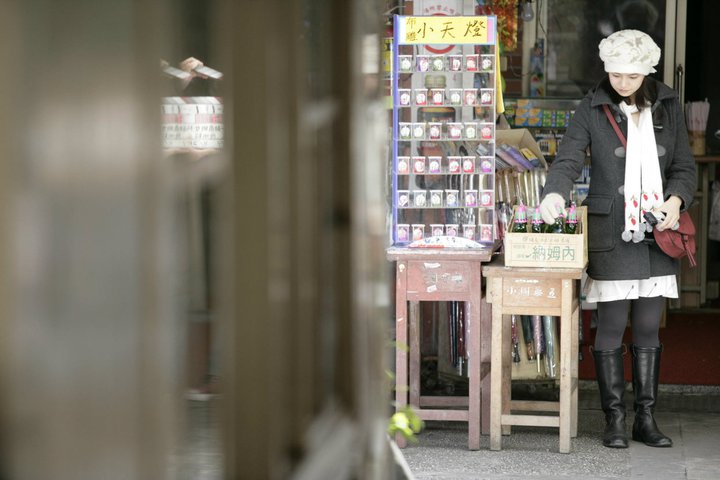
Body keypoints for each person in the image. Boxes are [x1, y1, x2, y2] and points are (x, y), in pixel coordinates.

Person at [539, 30, 696, 449]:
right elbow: (568, 158)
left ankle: (645, 419)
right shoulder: (592, 106)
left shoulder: (668, 106)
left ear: (647, 72)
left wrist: (676, 201)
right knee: (610, 325)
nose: (622, 83)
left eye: (631, 75)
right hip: (612, 229)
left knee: (647, 326)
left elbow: (684, 166)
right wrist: (554, 193)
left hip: (657, 231)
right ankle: (614, 419)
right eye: (615, 74)